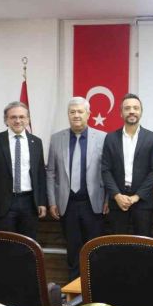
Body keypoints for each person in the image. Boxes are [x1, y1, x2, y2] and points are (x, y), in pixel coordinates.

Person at [47, 97, 108, 279]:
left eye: (80, 111)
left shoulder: (103, 137)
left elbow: (108, 171)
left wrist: (108, 199)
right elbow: (51, 172)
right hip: (68, 204)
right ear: (68, 115)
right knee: (73, 249)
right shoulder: (56, 139)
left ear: (88, 114)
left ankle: (94, 286)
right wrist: (52, 202)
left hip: (94, 203)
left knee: (94, 249)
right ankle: (74, 289)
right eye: (72, 112)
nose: (76, 115)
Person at [0, 102, 47, 239]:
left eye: (22, 117)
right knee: (5, 244)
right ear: (6, 120)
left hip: (30, 203)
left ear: (28, 119)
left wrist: (41, 202)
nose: (18, 121)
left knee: (28, 244)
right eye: (13, 117)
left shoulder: (36, 142)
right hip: (3, 203)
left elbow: (40, 174)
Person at [101, 93, 153, 236]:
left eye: (136, 108)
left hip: (142, 201)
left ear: (141, 112)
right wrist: (117, 195)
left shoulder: (152, 138)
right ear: (121, 113)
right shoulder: (110, 138)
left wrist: (136, 196)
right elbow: (105, 170)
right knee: (118, 242)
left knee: (142, 243)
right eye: (127, 108)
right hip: (117, 201)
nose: (132, 111)